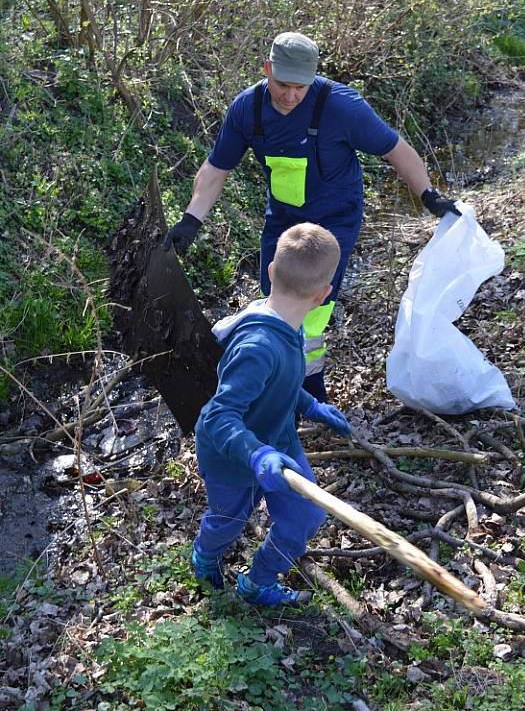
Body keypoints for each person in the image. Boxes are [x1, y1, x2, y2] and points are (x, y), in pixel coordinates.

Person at [165, 32, 461, 403]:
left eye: (300, 88)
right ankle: (280, 381)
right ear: (267, 69)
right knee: (274, 297)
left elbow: (395, 149)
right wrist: (191, 220)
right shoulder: (248, 109)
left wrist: (427, 195)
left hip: (335, 216)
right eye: (282, 85)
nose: (290, 96)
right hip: (283, 215)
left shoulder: (341, 107)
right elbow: (216, 168)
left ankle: (307, 393)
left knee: (309, 305)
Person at [192, 223, 352, 606]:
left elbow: (279, 380)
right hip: (231, 459)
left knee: (305, 517)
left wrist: (307, 404)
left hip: (279, 441)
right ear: (323, 295)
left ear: (270, 271)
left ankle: (258, 581)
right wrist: (256, 454)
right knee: (229, 520)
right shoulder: (257, 346)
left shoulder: (289, 327)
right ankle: (204, 555)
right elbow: (218, 415)